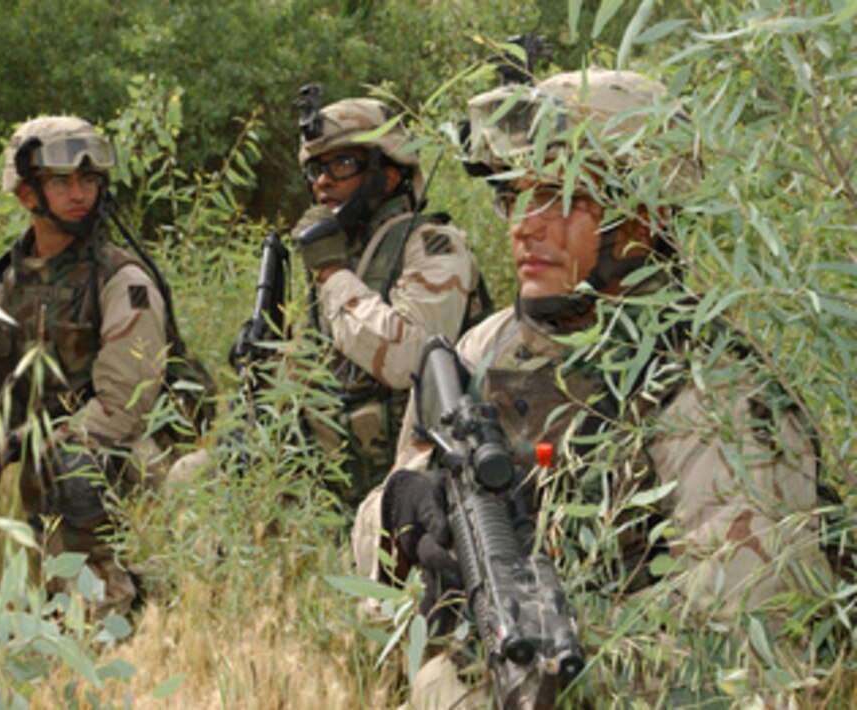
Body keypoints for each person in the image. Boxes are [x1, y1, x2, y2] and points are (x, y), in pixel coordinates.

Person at [352, 69, 829, 707]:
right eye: (515, 195)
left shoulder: (710, 389)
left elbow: (755, 646)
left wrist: (564, 648)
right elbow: (373, 581)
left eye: (563, 195)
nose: (525, 225)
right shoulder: (477, 352)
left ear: (649, 211)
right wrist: (397, 514)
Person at [0, 116, 176, 618]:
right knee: (54, 464)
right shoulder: (0, 286)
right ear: (26, 194)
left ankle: (106, 612)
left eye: (88, 180)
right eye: (62, 181)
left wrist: (20, 441)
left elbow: (123, 409)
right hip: (52, 450)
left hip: (135, 454)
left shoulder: (120, 280)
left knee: (68, 465)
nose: (79, 193)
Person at [289, 89, 491, 510]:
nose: (323, 181)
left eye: (343, 164)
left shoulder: (433, 245)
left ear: (389, 173)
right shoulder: (348, 253)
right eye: (315, 169)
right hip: (338, 487)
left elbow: (409, 359)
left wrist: (331, 275)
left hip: (422, 491)